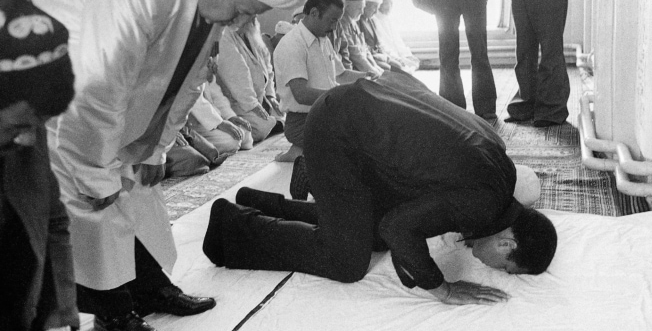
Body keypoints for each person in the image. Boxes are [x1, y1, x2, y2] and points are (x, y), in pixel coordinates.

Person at [30, 0, 309, 331]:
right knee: (92, 205)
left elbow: (189, 84)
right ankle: (113, 313)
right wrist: (95, 173)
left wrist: (157, 149)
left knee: (139, 188)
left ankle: (150, 287)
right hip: (50, 99)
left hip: (110, 103)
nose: (240, 22)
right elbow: (94, 90)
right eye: (241, 10)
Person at [203, 72, 557, 305]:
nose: (496, 269)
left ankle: (263, 203)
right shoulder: (480, 206)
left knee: (371, 234)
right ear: (507, 243)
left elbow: (401, 222)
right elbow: (398, 227)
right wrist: (441, 288)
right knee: (347, 260)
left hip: (360, 116)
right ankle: (231, 228)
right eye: (506, 267)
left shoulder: (502, 176)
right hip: (337, 132)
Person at [0, 0, 123, 331]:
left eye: (39, 124)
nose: (31, 142)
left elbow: (53, 225)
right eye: (17, 126)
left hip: (18, 325)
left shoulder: (22, 135)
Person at [272, 0, 376, 163]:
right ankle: (300, 149)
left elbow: (341, 74)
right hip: (303, 122)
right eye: (332, 20)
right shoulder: (291, 44)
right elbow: (302, 94)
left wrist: (368, 77)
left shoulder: (322, 39)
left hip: (326, 112)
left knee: (372, 122)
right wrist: (342, 95)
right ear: (314, 13)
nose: (335, 27)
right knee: (360, 142)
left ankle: (301, 150)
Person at [215, 16, 282, 145]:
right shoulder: (225, 35)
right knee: (261, 128)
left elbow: (267, 65)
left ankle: (272, 119)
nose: (253, 19)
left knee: (283, 111)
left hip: (259, 97)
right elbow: (237, 74)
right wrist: (253, 105)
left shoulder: (251, 32)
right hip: (236, 100)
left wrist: (270, 95)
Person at [359, 0, 414, 74]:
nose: (375, 12)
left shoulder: (372, 20)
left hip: (380, 55)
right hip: (370, 57)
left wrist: (392, 58)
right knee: (394, 69)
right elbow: (363, 47)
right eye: (374, 8)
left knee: (399, 66)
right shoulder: (359, 22)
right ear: (366, 6)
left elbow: (380, 43)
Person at [336, 0, 387, 77]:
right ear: (347, 7)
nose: (362, 12)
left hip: (363, 68)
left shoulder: (354, 22)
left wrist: (375, 67)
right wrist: (372, 71)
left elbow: (365, 49)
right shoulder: (342, 24)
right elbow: (355, 55)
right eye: (359, 8)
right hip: (352, 70)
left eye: (363, 8)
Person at [372, 0, 421, 72]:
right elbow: (383, 46)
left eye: (391, 3)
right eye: (386, 3)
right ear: (379, 5)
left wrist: (406, 55)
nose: (389, 7)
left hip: (397, 55)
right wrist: (398, 58)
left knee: (414, 62)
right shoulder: (374, 20)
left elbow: (398, 41)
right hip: (388, 55)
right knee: (403, 68)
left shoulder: (388, 19)